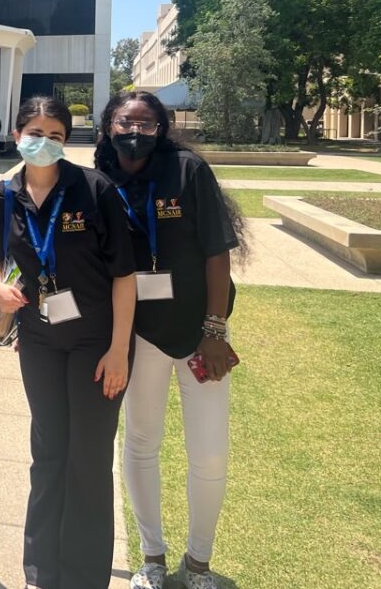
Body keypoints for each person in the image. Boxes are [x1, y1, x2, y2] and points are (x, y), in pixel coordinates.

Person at [0, 96, 137, 589]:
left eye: (55, 135)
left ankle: (85, 576)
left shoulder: (95, 189)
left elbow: (125, 277)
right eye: (35, 131)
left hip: (96, 343)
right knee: (48, 453)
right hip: (40, 342)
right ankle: (41, 571)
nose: (43, 142)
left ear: (67, 141)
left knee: (88, 459)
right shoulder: (7, 194)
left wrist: (118, 351)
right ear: (17, 134)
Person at [94, 91, 244, 589]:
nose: (134, 131)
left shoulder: (187, 171)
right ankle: (152, 559)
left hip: (201, 334)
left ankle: (198, 564)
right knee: (140, 442)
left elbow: (217, 252)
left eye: (146, 123)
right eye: (124, 121)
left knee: (209, 452)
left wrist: (215, 329)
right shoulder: (99, 178)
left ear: (161, 128)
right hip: (138, 334)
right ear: (108, 125)